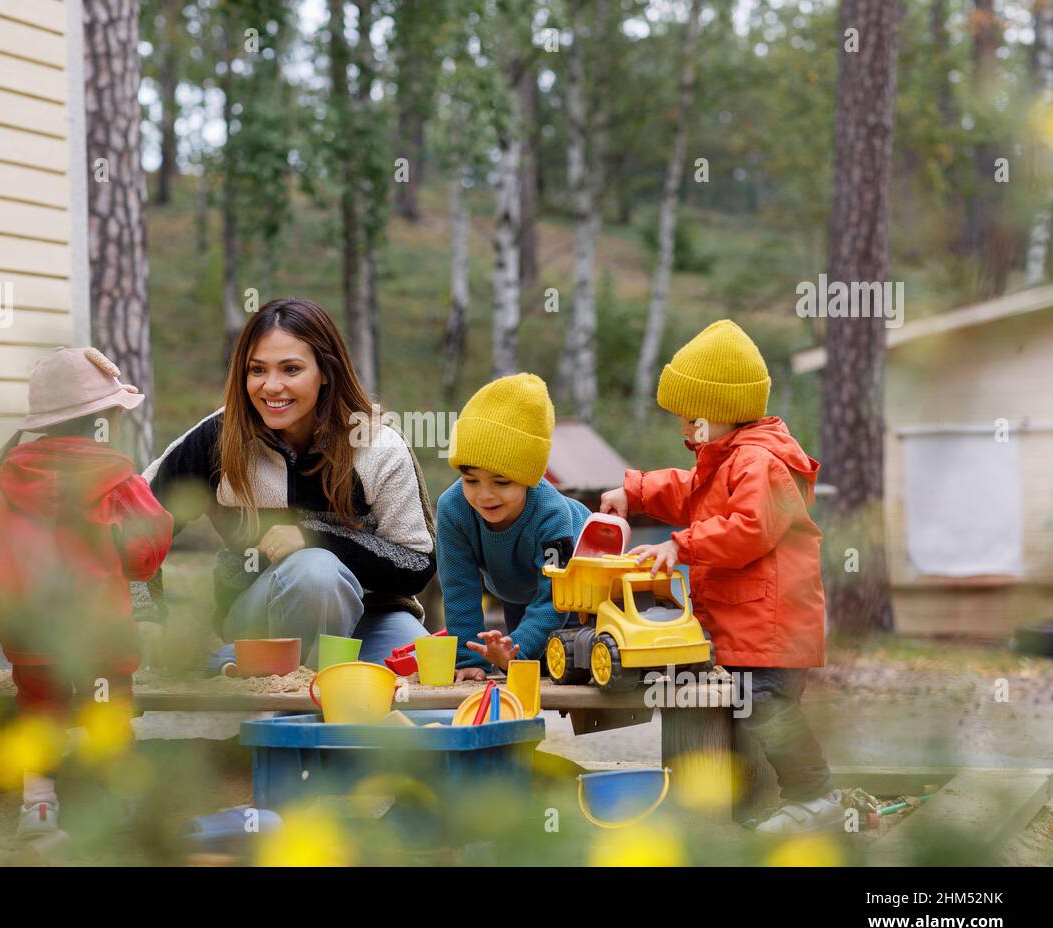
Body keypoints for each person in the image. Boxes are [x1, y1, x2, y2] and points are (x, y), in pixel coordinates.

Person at [601, 319, 839, 833]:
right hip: (745, 626)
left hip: (772, 626)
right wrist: (636, 492)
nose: (684, 430)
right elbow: (689, 491)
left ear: (723, 413)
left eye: (691, 419)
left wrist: (679, 544)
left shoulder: (761, 463)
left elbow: (750, 529)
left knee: (765, 707)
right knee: (733, 709)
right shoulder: (726, 459)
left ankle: (816, 798)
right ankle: (737, 808)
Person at [134, 297, 436, 670]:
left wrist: (317, 536)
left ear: (326, 371)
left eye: (291, 369)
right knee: (315, 574)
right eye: (257, 370)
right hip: (260, 614)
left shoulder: (376, 445)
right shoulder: (217, 439)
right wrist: (146, 613)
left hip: (373, 619)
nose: (271, 386)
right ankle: (292, 698)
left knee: (426, 663)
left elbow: (416, 565)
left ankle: (234, 667)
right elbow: (134, 527)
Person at [0, 347, 173, 841]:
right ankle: (121, 806)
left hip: (29, 627)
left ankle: (38, 809)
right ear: (106, 419)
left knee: (39, 706)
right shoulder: (119, 483)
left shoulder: (9, 478)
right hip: (101, 628)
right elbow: (146, 556)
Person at [436, 373, 590, 681]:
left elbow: (553, 597)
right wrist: (469, 660)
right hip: (515, 587)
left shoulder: (552, 515)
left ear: (530, 478)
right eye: (470, 480)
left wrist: (517, 649)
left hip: (578, 581)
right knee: (511, 662)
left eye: (501, 482)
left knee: (563, 664)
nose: (484, 495)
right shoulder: (453, 509)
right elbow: (459, 589)